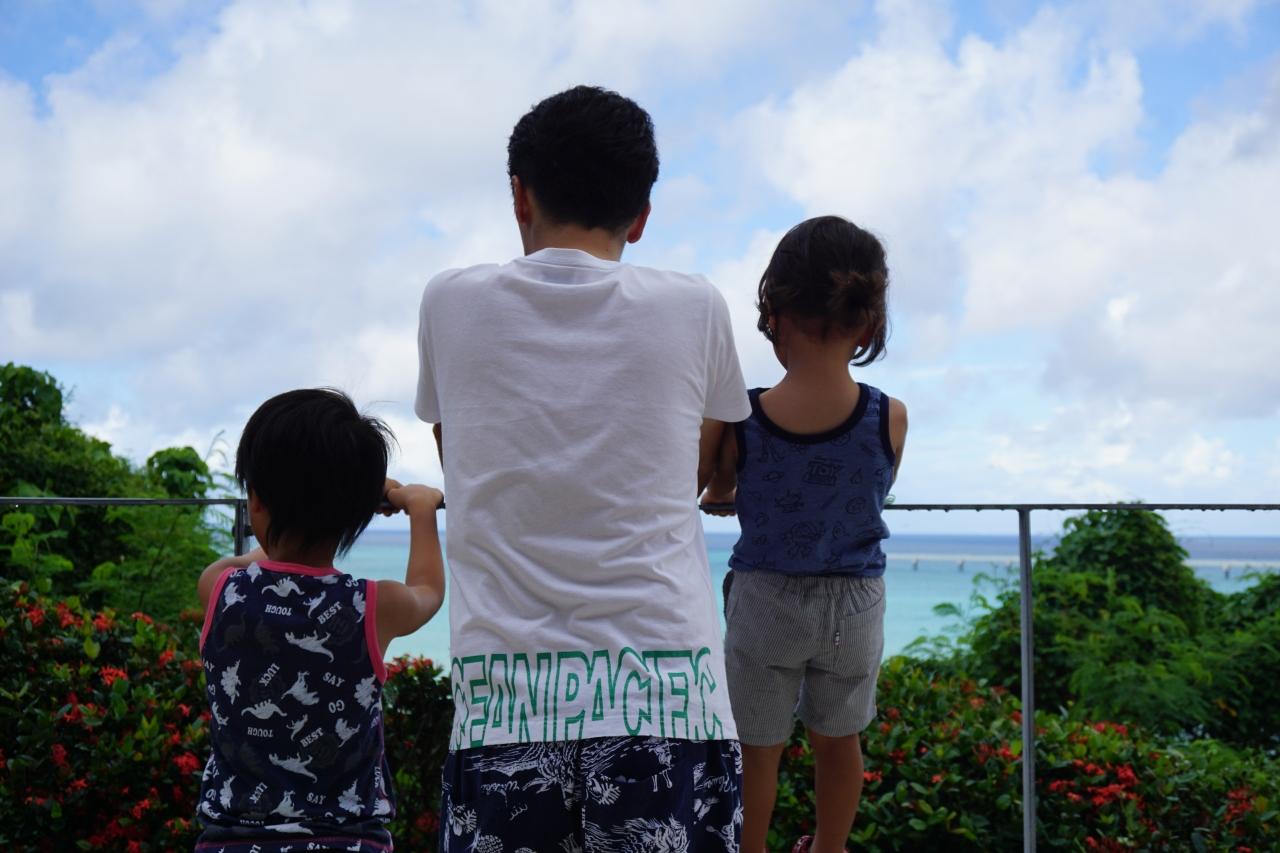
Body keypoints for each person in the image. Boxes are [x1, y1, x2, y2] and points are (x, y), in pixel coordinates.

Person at [414, 85, 750, 851]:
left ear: (519, 195)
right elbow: (701, 468)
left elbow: (457, 455)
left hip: (504, 712)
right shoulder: (695, 306)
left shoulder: (449, 302)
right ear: (641, 215)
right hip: (670, 705)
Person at [700, 216, 908, 853]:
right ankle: (829, 846)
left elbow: (718, 487)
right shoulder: (889, 416)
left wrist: (726, 492)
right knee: (839, 739)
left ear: (774, 316)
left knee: (758, 749)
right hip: (855, 603)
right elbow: (868, 489)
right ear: (867, 324)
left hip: (766, 600)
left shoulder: (745, 417)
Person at [194, 388, 445, 852]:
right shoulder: (373, 605)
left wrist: (334, 502)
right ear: (356, 514)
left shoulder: (220, 588)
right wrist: (420, 507)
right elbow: (429, 590)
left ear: (256, 501)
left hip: (230, 841)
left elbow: (257, 558)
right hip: (349, 841)